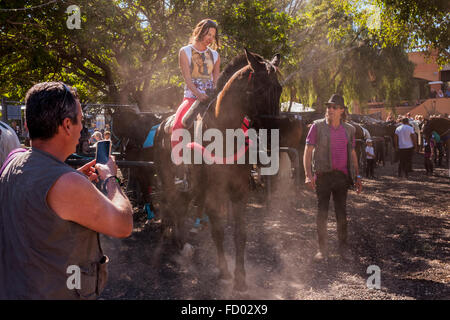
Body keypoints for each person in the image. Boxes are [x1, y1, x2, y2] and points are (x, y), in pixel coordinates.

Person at [0, 82, 133, 299]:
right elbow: (123, 224)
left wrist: (75, 179)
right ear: (67, 125)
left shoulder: (13, 160)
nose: (83, 128)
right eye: (81, 120)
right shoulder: (65, 183)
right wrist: (111, 177)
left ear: (26, 124)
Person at [303, 94, 362, 262]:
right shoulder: (317, 127)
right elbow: (307, 152)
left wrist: (357, 175)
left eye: (334, 107)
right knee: (322, 213)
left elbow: (352, 153)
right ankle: (322, 250)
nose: (330, 109)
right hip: (323, 176)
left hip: (341, 177)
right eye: (328, 106)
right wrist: (308, 175)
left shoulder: (349, 129)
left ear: (342, 110)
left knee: (341, 214)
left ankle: (343, 248)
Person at [171, 19, 220, 153]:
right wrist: (198, 94)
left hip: (211, 97)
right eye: (208, 34)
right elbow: (187, 78)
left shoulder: (215, 55)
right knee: (177, 125)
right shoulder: (184, 51)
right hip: (191, 96)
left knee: (241, 121)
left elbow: (216, 80)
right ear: (199, 31)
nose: (211, 38)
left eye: (213, 35)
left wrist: (215, 96)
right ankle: (178, 159)